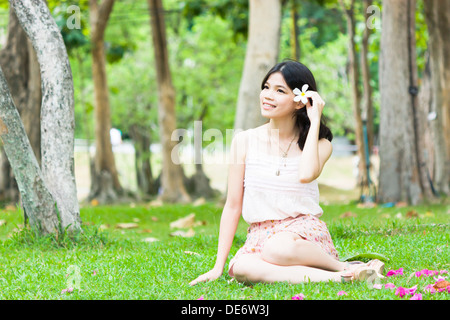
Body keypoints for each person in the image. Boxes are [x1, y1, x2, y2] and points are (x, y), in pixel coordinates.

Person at [189, 60, 384, 286]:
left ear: (300, 102)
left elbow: (306, 174)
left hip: (302, 233)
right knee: (241, 267)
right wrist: (217, 266)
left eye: (279, 90)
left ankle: (344, 266)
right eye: (266, 87)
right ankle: (343, 277)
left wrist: (315, 120)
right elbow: (233, 206)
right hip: (260, 235)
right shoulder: (244, 141)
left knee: (277, 248)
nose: (267, 95)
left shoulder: (321, 145)